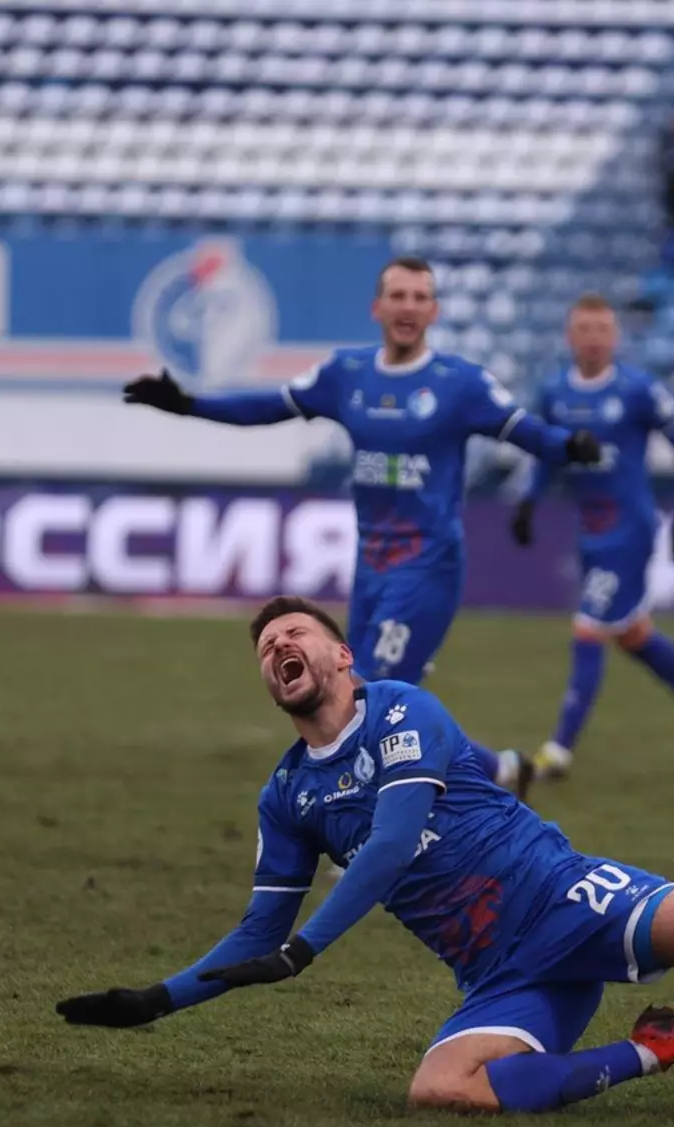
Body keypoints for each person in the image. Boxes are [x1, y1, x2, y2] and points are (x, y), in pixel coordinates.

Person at [54, 597, 674, 1114]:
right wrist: (154, 1001)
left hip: (569, 898)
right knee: (441, 1092)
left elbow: (391, 843)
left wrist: (305, 951)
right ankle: (661, 1047)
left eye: (294, 633)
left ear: (342, 656)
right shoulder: (287, 797)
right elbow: (258, 931)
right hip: (500, 974)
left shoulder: (403, 711)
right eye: (265, 647)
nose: (279, 646)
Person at [121, 257, 601, 795]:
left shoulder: (459, 384)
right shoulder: (346, 374)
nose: (408, 307)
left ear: (435, 311)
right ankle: (499, 770)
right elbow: (269, 406)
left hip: (428, 563)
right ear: (377, 307)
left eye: (420, 297)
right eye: (398, 295)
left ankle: (391, 815)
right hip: (371, 564)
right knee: (368, 689)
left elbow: (520, 429)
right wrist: (189, 405)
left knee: (362, 690)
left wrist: (567, 446)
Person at [512, 294, 674, 782]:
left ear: (615, 336)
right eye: (584, 329)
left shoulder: (638, 390)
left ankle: (559, 751)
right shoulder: (554, 392)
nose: (593, 339)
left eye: (602, 329)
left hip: (630, 528)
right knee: (633, 634)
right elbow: (549, 454)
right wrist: (530, 500)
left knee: (588, 629)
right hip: (590, 528)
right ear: (570, 337)